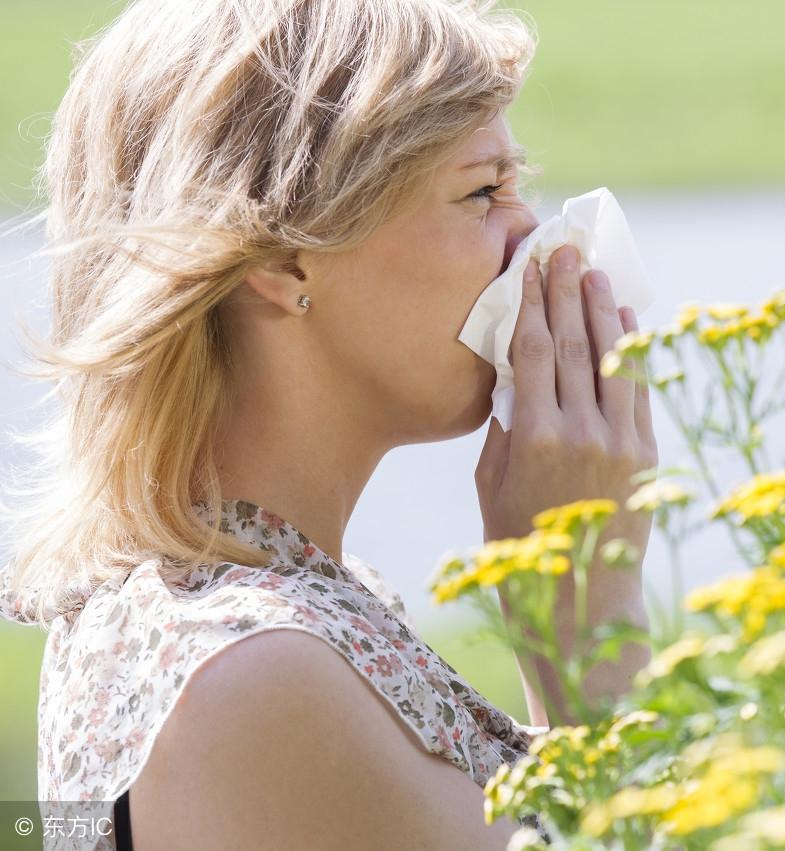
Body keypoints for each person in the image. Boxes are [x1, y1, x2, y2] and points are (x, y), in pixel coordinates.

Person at [0, 1, 658, 848]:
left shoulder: (246, 610)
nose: (529, 231)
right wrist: (586, 606)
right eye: (482, 190)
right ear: (281, 257)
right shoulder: (256, 671)